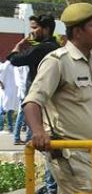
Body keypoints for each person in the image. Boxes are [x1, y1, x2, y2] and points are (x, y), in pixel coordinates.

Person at [23, 3, 92, 194]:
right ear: (78, 31)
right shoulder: (57, 61)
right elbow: (32, 102)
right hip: (69, 154)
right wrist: (38, 131)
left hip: (91, 152)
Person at [4, 14, 60, 144]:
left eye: (35, 28)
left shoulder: (41, 48)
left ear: (45, 29)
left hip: (40, 98)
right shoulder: (57, 47)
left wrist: (18, 46)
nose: (32, 31)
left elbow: (15, 60)